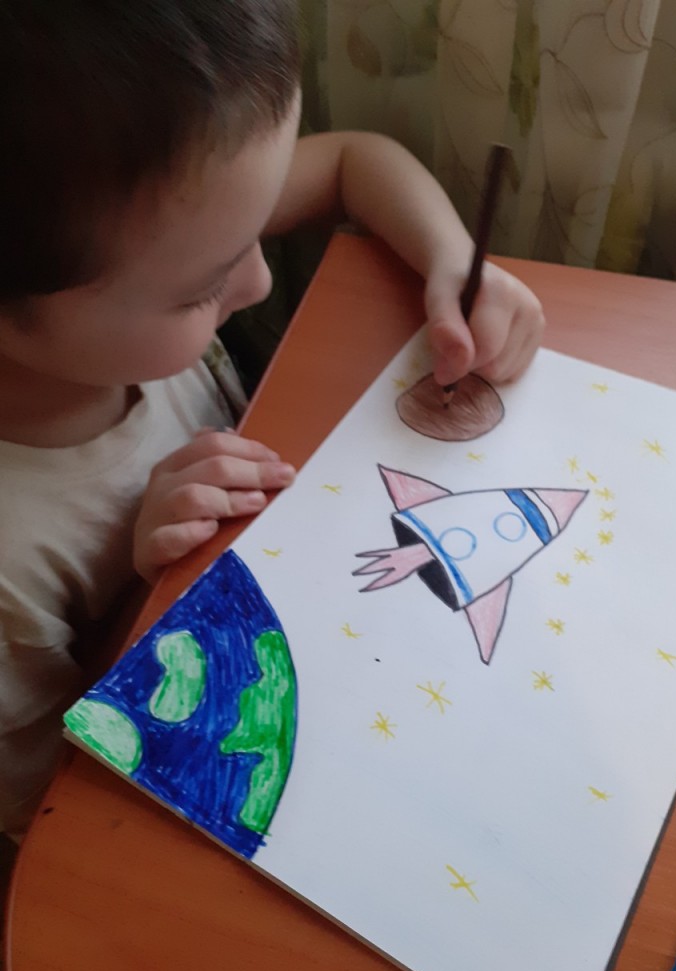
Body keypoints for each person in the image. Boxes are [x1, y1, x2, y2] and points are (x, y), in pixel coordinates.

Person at [0, 0, 544, 837]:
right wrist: (147, 592)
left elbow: (355, 160)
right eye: (201, 289)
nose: (259, 283)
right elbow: (58, 813)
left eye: (256, 233)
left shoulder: (148, 200)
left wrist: (450, 256)